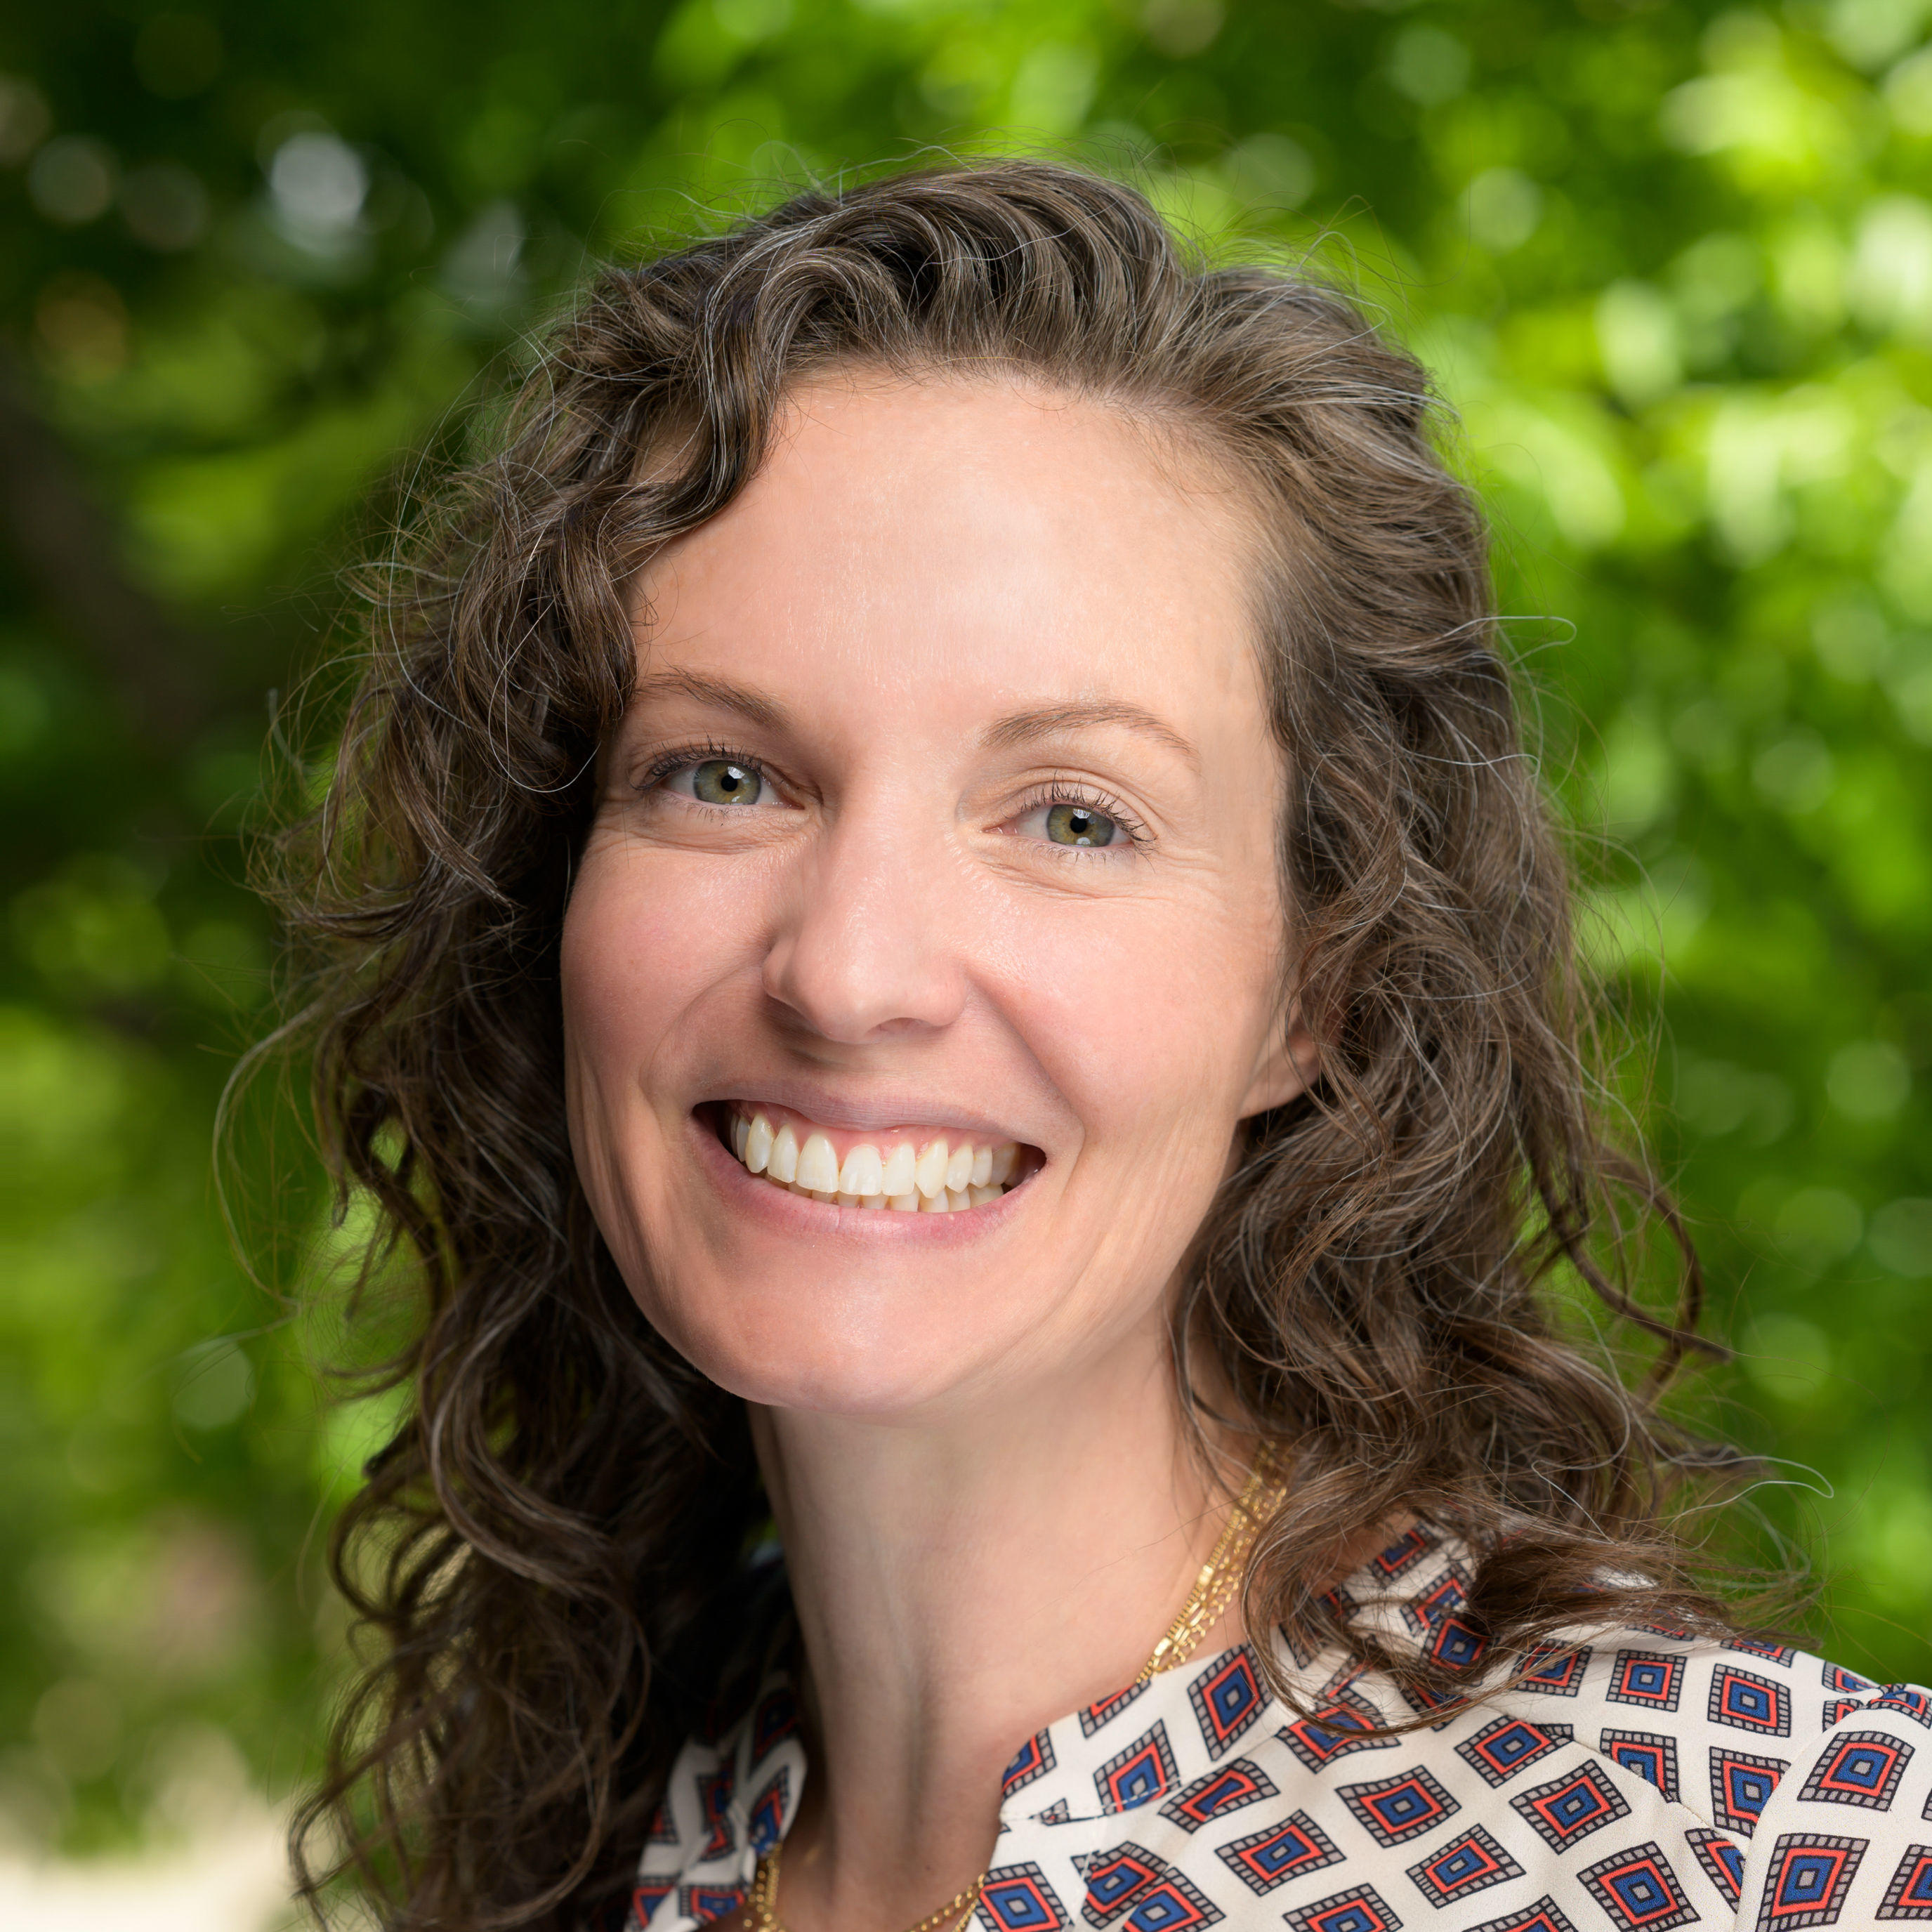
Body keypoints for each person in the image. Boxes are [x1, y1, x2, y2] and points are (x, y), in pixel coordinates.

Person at [275, 161, 1932, 1932]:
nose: (845, 972)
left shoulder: (1768, 1859)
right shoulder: (573, 1857)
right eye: (723, 774)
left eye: (1071, 816)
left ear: (1318, 985)